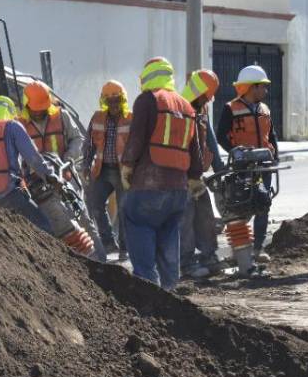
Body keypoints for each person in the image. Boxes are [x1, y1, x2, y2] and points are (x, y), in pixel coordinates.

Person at [119, 57, 204, 290]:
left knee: (139, 226)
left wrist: (127, 165)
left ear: (147, 77)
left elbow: (136, 138)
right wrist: (195, 177)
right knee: (168, 234)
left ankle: (149, 291)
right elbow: (194, 147)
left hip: (148, 185)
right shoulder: (187, 106)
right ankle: (170, 292)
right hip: (178, 189)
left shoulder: (148, 100)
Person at [0, 96, 59, 232]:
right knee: (45, 229)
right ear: (10, 111)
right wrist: (50, 175)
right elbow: (33, 157)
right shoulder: (11, 126)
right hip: (7, 192)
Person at [217, 64, 280, 264]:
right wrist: (234, 151)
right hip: (243, 166)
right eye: (262, 86)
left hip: (264, 164)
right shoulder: (231, 108)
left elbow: (272, 135)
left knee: (263, 205)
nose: (266, 90)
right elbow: (221, 136)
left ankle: (257, 249)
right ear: (252, 87)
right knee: (241, 206)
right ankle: (240, 249)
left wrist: (275, 155)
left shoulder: (265, 109)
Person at [179, 69, 226, 279]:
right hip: (181, 175)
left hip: (197, 175)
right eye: (206, 95)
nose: (208, 100)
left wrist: (220, 169)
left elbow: (211, 141)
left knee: (206, 214)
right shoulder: (180, 108)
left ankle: (209, 256)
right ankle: (186, 262)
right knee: (186, 217)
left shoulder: (202, 109)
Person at [83, 81, 133, 259]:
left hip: (123, 172)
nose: (113, 102)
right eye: (109, 99)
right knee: (95, 204)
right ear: (104, 100)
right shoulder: (97, 117)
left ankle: (125, 249)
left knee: (124, 209)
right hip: (102, 170)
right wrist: (86, 165)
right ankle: (109, 242)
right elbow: (89, 143)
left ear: (122, 99)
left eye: (116, 99)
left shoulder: (131, 118)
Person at [20, 81, 84, 160]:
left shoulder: (62, 116)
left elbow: (78, 139)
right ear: (27, 106)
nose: (38, 113)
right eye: (35, 110)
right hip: (33, 171)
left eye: (42, 109)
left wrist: (69, 157)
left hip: (62, 169)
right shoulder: (19, 125)